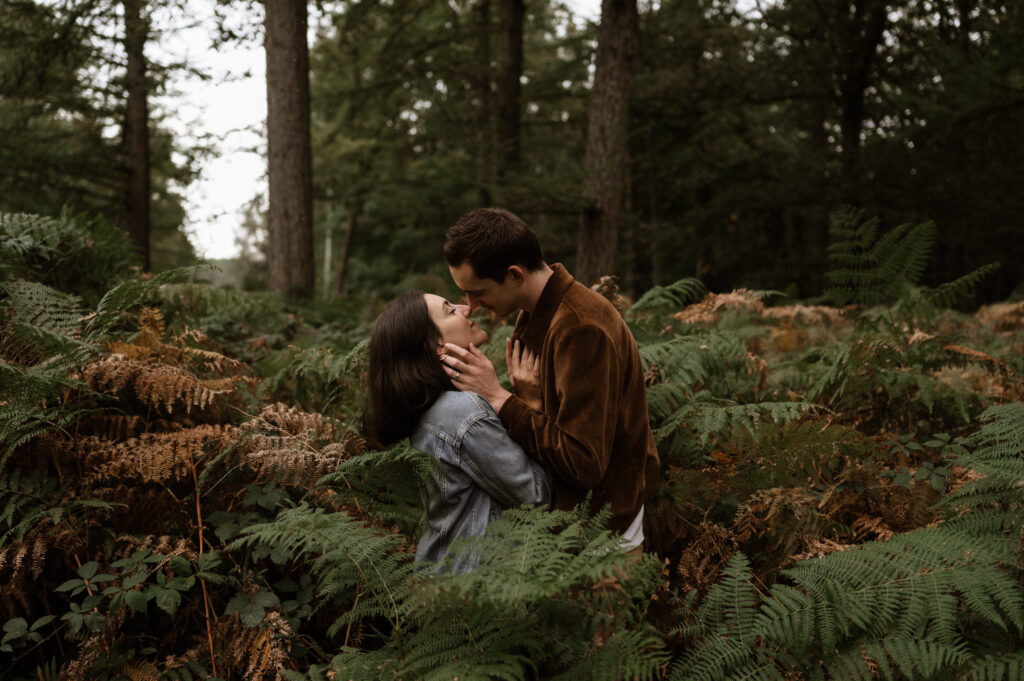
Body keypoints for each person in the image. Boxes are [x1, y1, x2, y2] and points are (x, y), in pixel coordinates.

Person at [438, 208, 660, 554]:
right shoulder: (537, 312)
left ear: (514, 274)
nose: (472, 306)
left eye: (478, 292)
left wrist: (501, 400)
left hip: (604, 536)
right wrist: (530, 402)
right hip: (579, 528)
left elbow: (584, 463)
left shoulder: (580, 328)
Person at [367, 290, 551, 573]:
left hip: (445, 584)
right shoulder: (462, 412)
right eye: (450, 310)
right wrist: (530, 405)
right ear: (436, 345)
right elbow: (535, 498)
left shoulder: (431, 412)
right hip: (475, 591)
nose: (466, 308)